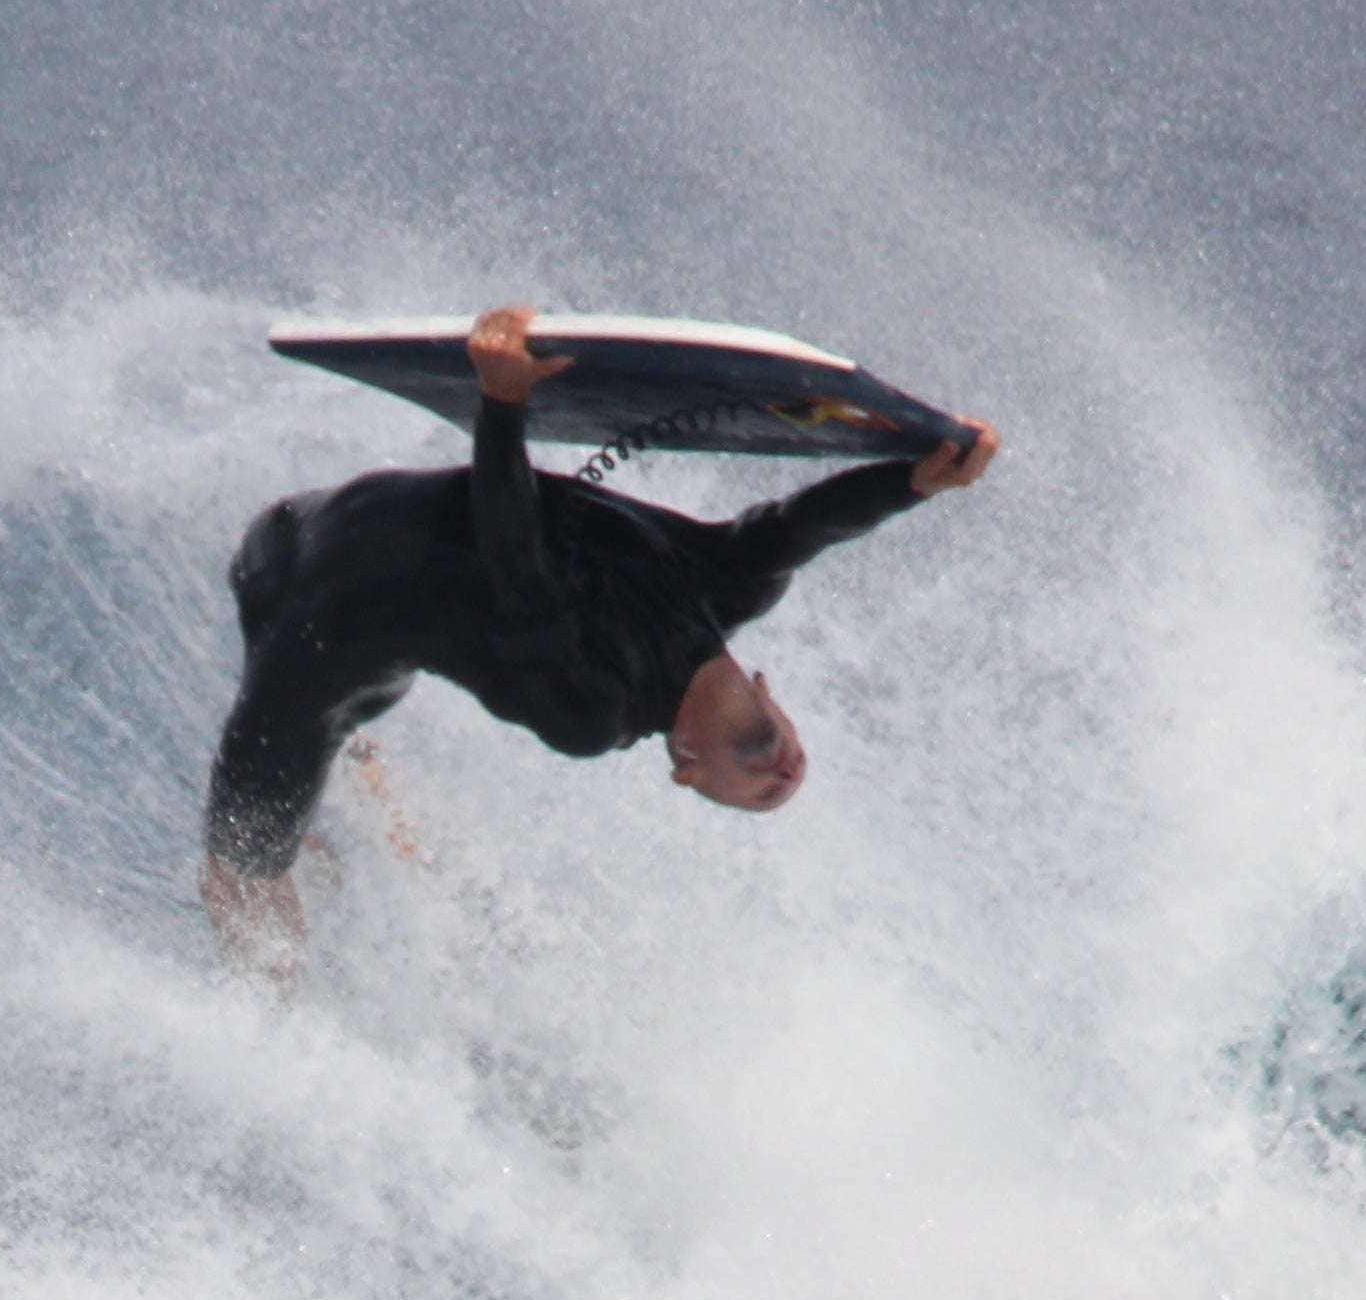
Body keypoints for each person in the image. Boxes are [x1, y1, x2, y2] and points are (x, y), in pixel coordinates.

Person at [199, 304, 998, 965]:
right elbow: (802, 525)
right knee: (323, 771)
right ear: (770, 694)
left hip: (312, 629)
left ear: (685, 767)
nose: (782, 779)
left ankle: (265, 1046)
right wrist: (915, 482)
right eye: (790, 772)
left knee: (244, 866)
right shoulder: (725, 584)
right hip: (300, 523)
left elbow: (514, 560)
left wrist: (504, 404)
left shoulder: (592, 710)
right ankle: (354, 792)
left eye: (755, 793)